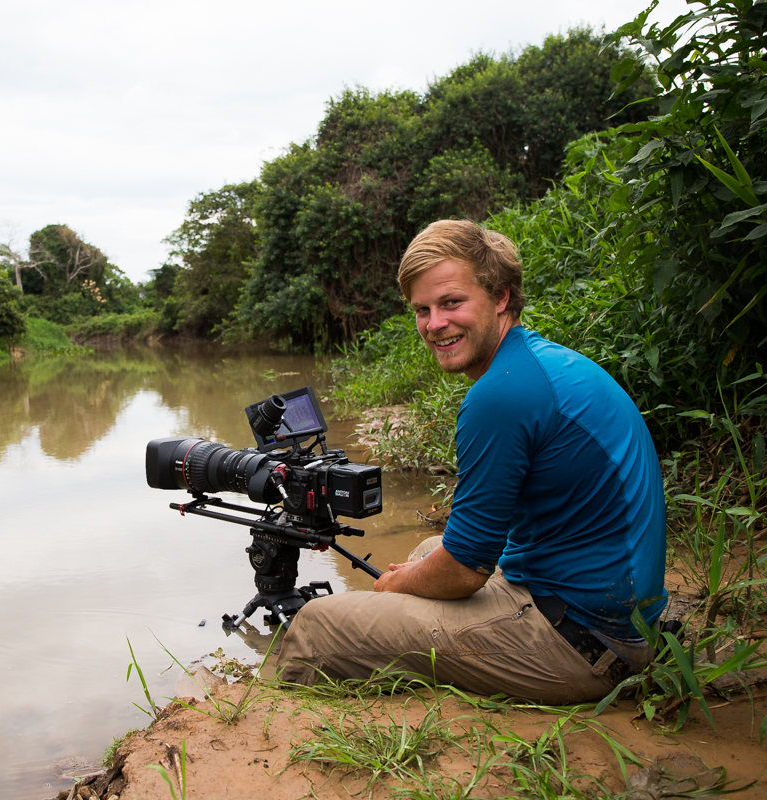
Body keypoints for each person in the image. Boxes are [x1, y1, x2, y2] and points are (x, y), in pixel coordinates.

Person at [276, 219, 667, 704]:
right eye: (423, 309)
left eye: (452, 303)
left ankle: (279, 710)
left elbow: (465, 570)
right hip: (615, 617)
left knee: (317, 625)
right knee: (424, 550)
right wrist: (411, 579)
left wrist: (397, 587)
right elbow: (465, 551)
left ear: (501, 297)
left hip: (582, 647)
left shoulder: (499, 396)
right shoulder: (540, 363)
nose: (434, 323)